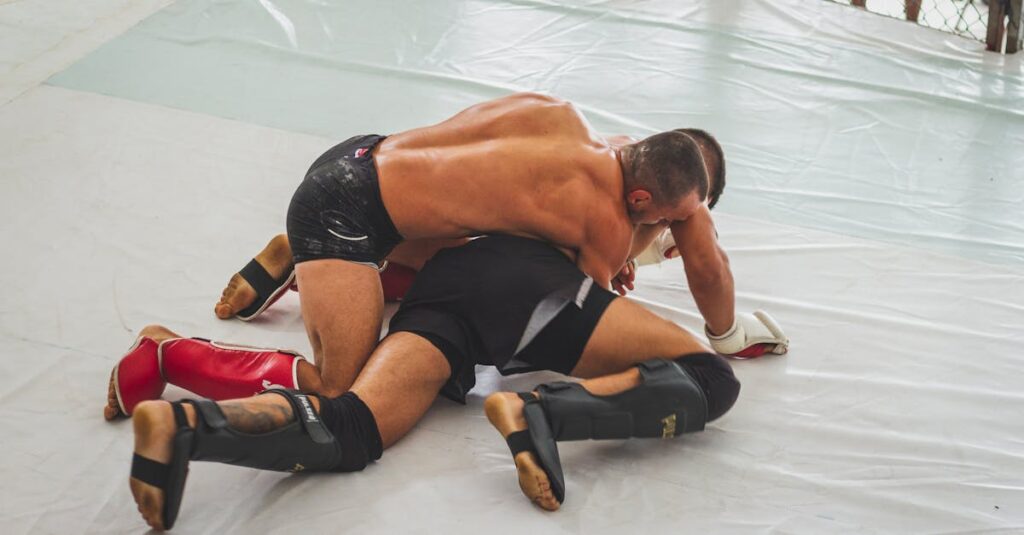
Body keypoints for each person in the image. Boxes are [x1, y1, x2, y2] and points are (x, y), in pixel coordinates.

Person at [123, 235, 742, 530]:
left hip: (444, 289)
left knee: (352, 424)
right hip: (535, 289)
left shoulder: (547, 167)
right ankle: (546, 414)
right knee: (713, 376)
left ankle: (189, 426)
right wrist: (725, 325)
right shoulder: (629, 208)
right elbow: (692, 255)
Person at [207, 92, 739, 405]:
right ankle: (173, 354)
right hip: (341, 214)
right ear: (643, 198)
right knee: (341, 387)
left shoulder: (560, 115)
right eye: (668, 220)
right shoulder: (603, 216)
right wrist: (626, 253)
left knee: (469, 241)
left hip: (357, 153)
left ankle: (298, 256)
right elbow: (585, 310)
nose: (667, 230)